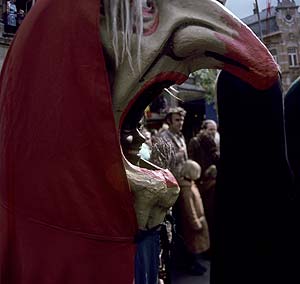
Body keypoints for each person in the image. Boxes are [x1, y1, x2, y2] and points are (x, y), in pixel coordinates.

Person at [188, 119, 220, 256]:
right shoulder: (196, 142)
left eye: (214, 129)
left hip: (212, 184)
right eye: (210, 129)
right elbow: (192, 163)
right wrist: (204, 172)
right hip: (202, 185)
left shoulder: (213, 143)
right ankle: (206, 249)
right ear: (203, 129)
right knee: (205, 217)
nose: (212, 132)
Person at [178, 160, 210, 275]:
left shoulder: (190, 184)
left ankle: (194, 264)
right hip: (191, 223)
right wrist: (195, 223)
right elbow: (189, 209)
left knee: (195, 245)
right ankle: (191, 266)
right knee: (192, 246)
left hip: (196, 220)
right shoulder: (186, 189)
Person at [157, 107, 188, 179]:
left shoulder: (180, 136)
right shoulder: (163, 137)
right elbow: (162, 163)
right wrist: (178, 155)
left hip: (184, 177)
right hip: (173, 179)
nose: (181, 123)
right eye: (177, 120)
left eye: (182, 120)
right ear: (169, 121)